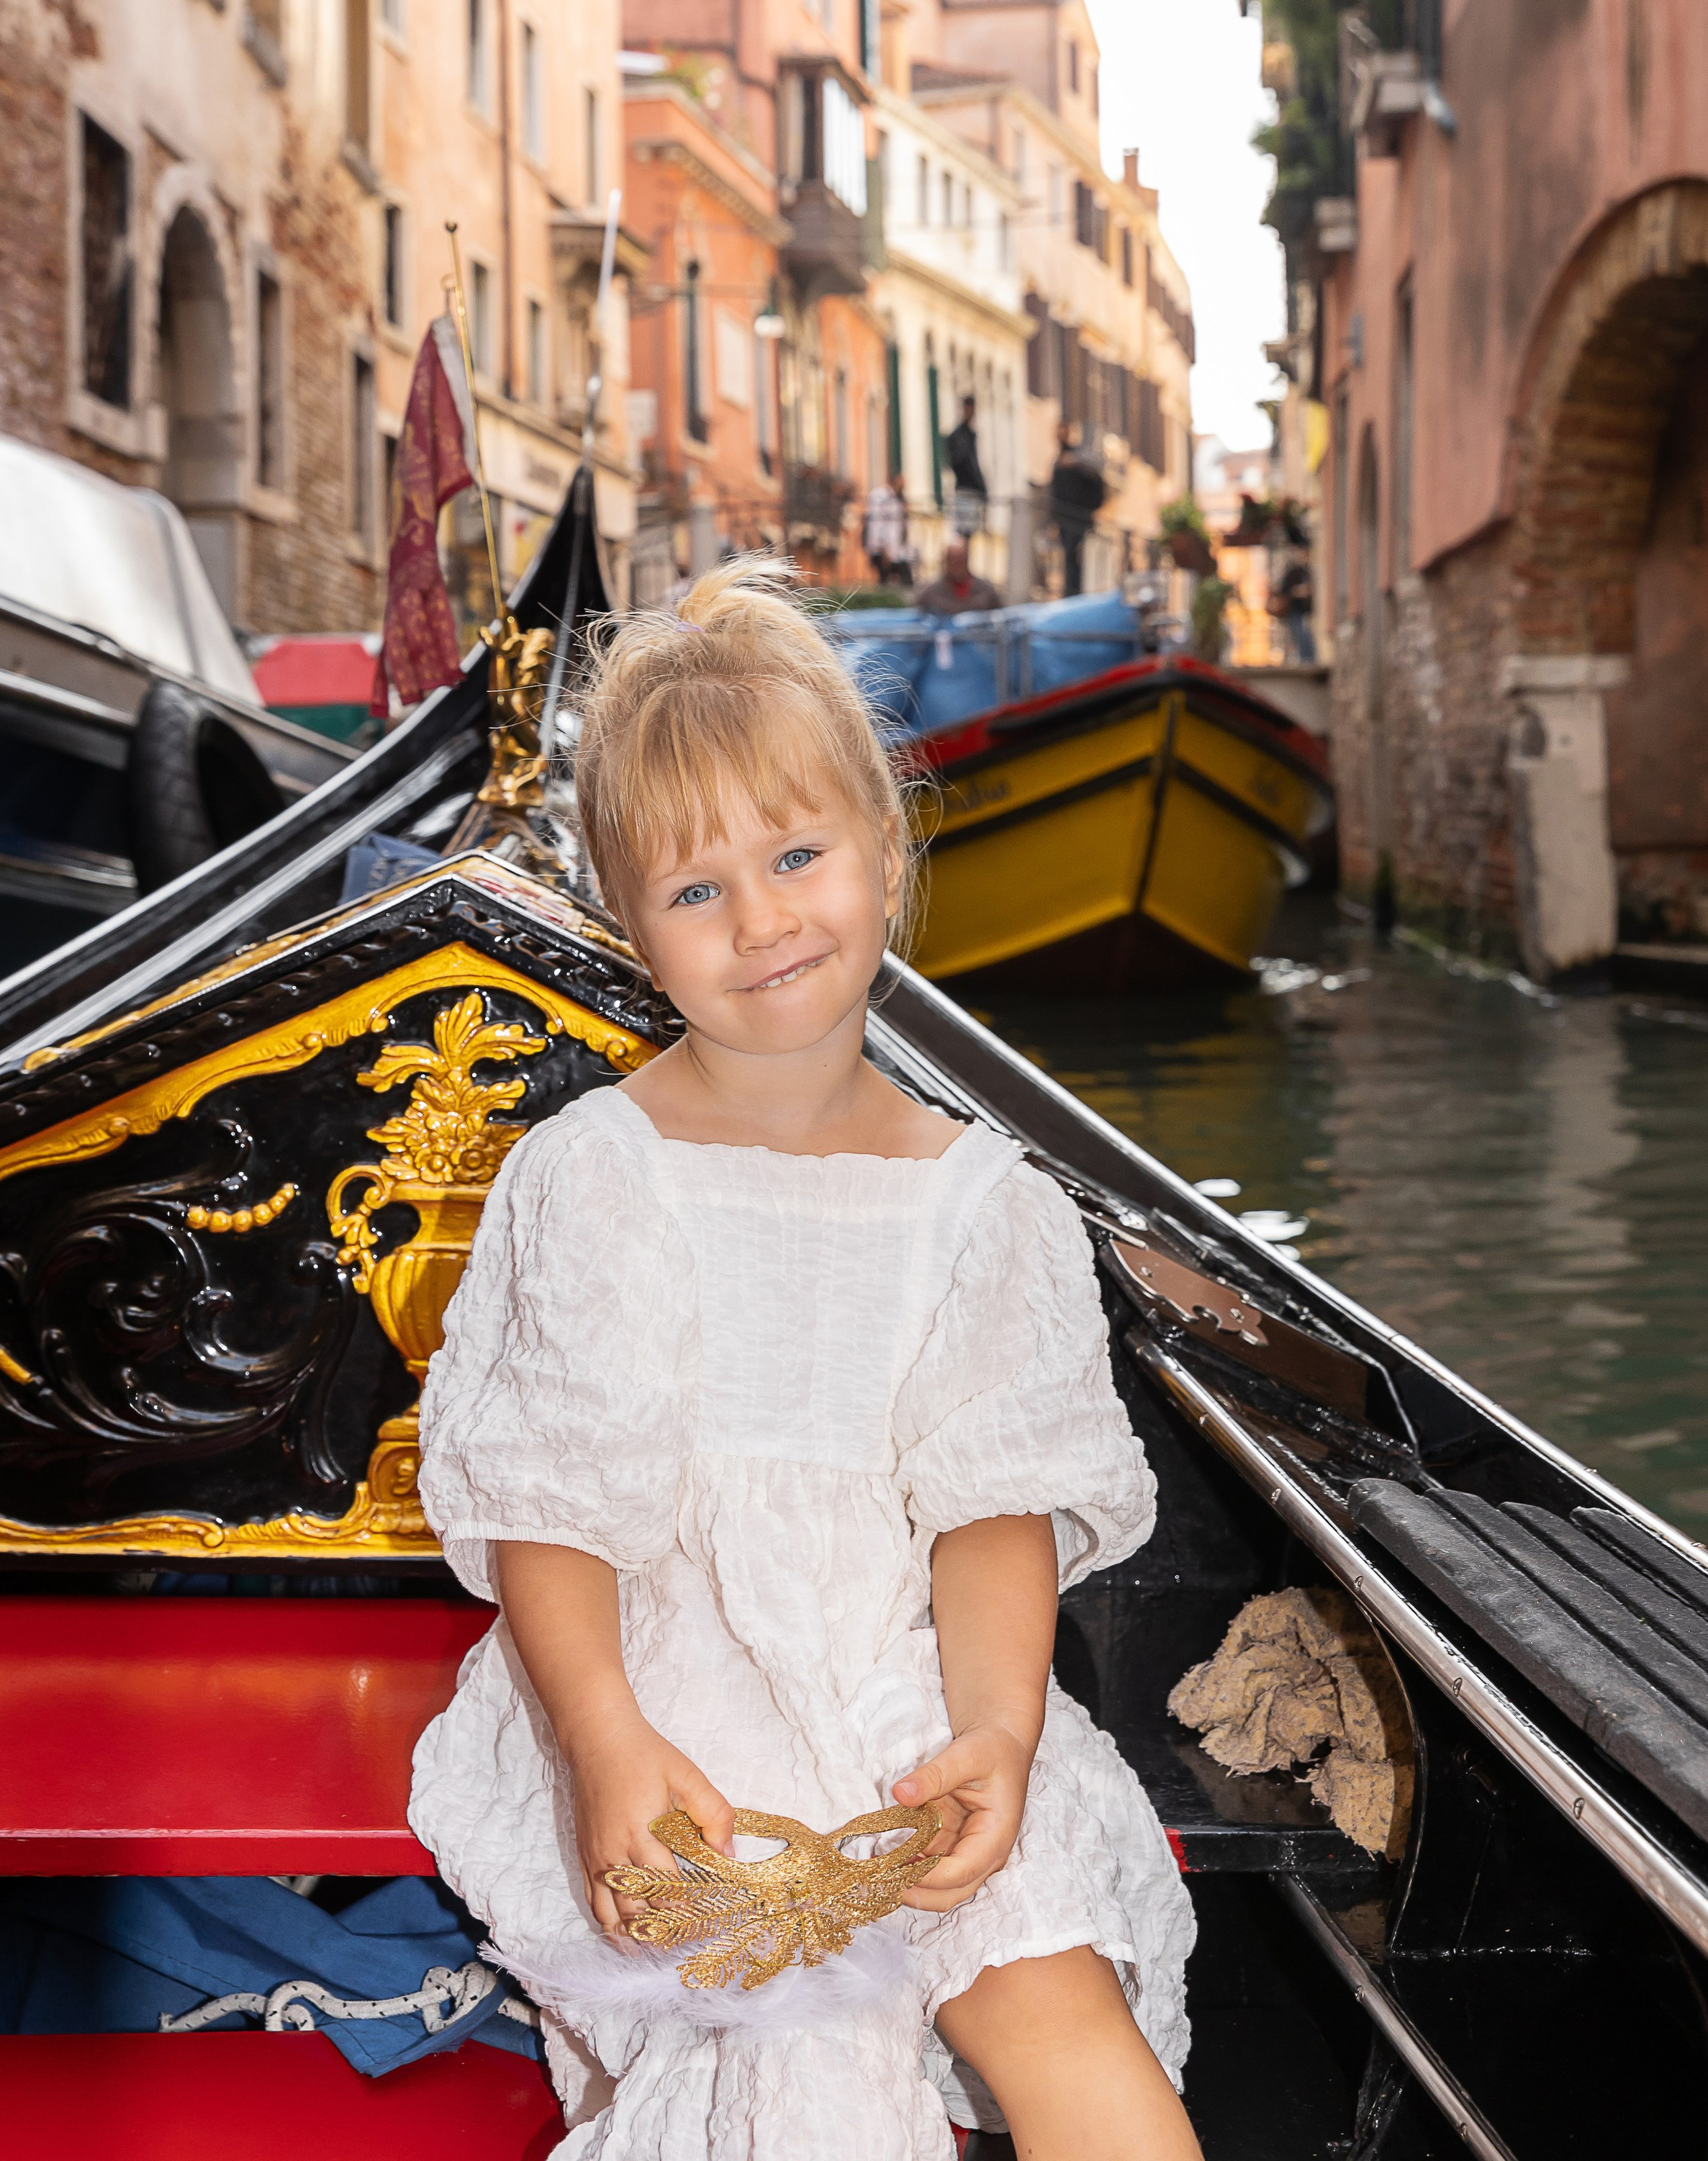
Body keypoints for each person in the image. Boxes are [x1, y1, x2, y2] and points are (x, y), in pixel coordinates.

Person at [410, 558, 1199, 2161]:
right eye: (696, 890)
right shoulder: (596, 1175)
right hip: (663, 1690)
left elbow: (991, 1506)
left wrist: (998, 1730)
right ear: (630, 922)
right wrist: (606, 1740)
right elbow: (553, 1508)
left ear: (884, 854)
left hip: (912, 1686)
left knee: (1062, 2011)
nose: (762, 921)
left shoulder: (987, 1204)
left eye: (795, 856)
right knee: (797, 2053)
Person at [1049, 423, 1106, 600]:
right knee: (1070, 556)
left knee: (1076, 556)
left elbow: (1095, 481)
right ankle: (1071, 592)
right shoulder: (1060, 459)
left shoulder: (1078, 459)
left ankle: (1074, 593)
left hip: (1077, 518)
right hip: (1066, 518)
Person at [913, 537, 1003, 616]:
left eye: (960, 560)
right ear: (945, 562)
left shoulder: (986, 591)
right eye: (952, 560)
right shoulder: (930, 594)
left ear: (966, 560)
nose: (956, 566)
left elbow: (1001, 617)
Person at [942, 394, 988, 540]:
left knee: (969, 532)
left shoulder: (970, 435)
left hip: (973, 490)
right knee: (963, 532)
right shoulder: (958, 436)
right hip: (964, 490)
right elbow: (961, 462)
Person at [862, 469, 912, 587]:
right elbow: (877, 524)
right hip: (885, 549)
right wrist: (883, 547)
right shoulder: (881, 497)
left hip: (895, 549)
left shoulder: (897, 498)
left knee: (892, 579)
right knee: (896, 578)